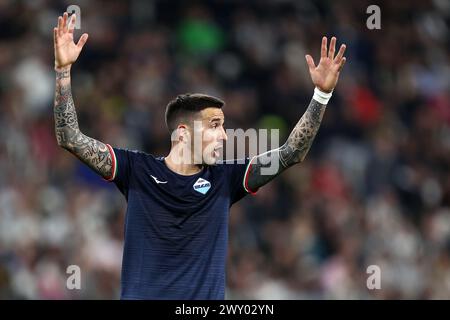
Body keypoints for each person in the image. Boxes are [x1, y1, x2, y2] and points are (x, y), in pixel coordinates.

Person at [53, 12, 346, 299]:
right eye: (214, 126)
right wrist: (63, 72)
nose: (224, 135)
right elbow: (70, 138)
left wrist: (321, 95)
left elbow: (292, 152)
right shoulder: (135, 169)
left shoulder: (225, 178)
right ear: (182, 134)